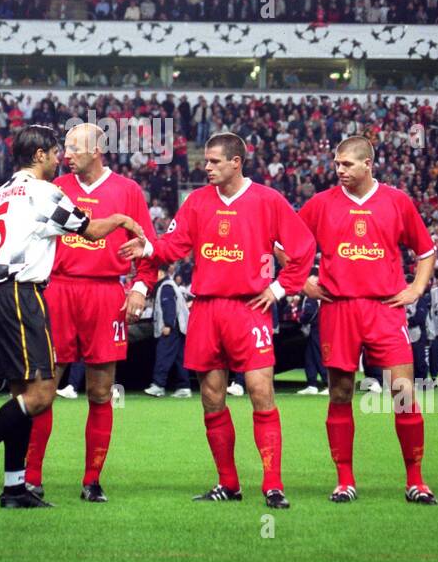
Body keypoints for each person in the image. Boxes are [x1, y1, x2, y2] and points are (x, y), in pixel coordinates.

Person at [0, 125, 143, 510]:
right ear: (38, 155)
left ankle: (15, 488)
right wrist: (122, 219)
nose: (60, 159)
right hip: (26, 295)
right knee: (40, 394)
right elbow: (91, 231)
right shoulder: (45, 193)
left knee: (22, 392)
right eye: (55, 152)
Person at [121, 131, 315, 509]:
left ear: (236, 162)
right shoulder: (196, 202)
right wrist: (146, 246)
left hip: (249, 308)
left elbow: (303, 248)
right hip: (206, 309)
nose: (206, 167)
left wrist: (278, 290)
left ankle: (272, 485)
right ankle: (228, 483)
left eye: (213, 161)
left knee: (261, 392)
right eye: (206, 160)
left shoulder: (268, 200)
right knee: (211, 398)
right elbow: (173, 247)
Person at [299, 136, 437, 505]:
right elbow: (285, 244)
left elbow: (426, 252)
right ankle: (344, 480)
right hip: (338, 307)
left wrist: (416, 289)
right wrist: (302, 280)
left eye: (346, 164)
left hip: (385, 308)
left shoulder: (396, 202)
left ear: (367, 165)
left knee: (403, 394)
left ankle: (416, 481)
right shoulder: (320, 204)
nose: (339, 170)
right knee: (341, 392)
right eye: (337, 164)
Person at [28, 123, 157, 503]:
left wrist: (139, 287)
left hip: (104, 295)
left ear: (97, 150)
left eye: (73, 148)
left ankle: (92, 480)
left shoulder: (128, 190)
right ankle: (32, 477)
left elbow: (147, 246)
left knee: (100, 392)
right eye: (64, 148)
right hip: (58, 291)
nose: (65, 154)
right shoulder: (54, 189)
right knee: (44, 389)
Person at [147, 266, 192, 398]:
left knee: (163, 355)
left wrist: (168, 324)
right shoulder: (169, 285)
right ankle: (184, 387)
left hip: (172, 327)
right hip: (179, 327)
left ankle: (158, 385)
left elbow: (169, 307)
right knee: (179, 358)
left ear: (160, 273)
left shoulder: (165, 286)